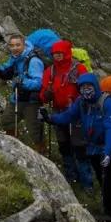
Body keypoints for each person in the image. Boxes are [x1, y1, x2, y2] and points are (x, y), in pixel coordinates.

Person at [39, 73, 111, 222]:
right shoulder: (81, 102)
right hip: (93, 149)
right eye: (82, 88)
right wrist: (50, 118)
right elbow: (68, 116)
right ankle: (110, 213)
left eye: (88, 87)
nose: (85, 91)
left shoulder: (107, 103)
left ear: (95, 86)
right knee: (103, 181)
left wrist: (109, 152)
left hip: (110, 150)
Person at [41, 40, 93, 194]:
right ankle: (71, 176)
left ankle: (87, 182)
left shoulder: (79, 69)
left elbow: (88, 89)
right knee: (64, 146)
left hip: (77, 112)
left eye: (60, 53)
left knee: (79, 146)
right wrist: (46, 95)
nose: (57, 56)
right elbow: (43, 95)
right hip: (58, 111)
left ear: (67, 53)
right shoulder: (49, 71)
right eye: (55, 54)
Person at [0, 33, 46, 154]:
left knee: (35, 131)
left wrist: (23, 82)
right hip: (17, 97)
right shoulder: (15, 58)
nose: (14, 48)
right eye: (12, 45)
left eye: (18, 45)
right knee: (7, 120)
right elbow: (6, 67)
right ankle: (15, 149)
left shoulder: (34, 61)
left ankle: (42, 156)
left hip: (31, 101)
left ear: (24, 45)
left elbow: (39, 83)